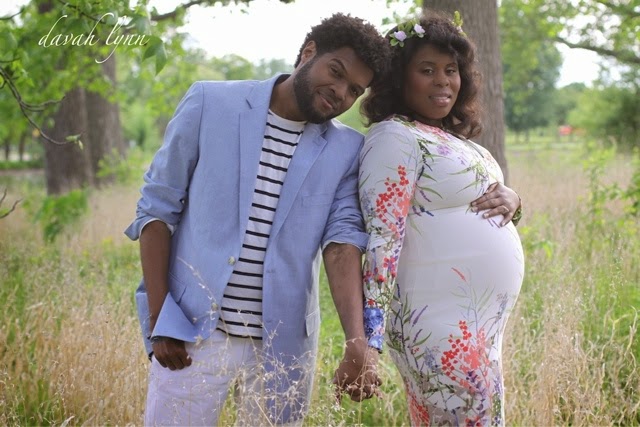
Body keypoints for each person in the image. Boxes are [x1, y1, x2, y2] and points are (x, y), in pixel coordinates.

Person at [124, 13, 391, 426]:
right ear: (308, 53)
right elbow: (156, 211)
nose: (340, 92)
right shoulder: (210, 103)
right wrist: (160, 318)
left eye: (354, 89)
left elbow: (342, 245)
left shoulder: (347, 150)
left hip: (283, 347)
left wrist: (358, 343)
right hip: (191, 333)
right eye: (336, 72)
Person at [358, 12, 524, 426]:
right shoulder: (394, 136)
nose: (443, 81)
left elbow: (485, 207)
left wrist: (514, 201)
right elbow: (383, 240)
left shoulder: (453, 140)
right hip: (436, 326)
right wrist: (369, 341)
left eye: (451, 70)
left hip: (478, 328)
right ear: (399, 77)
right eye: (427, 70)